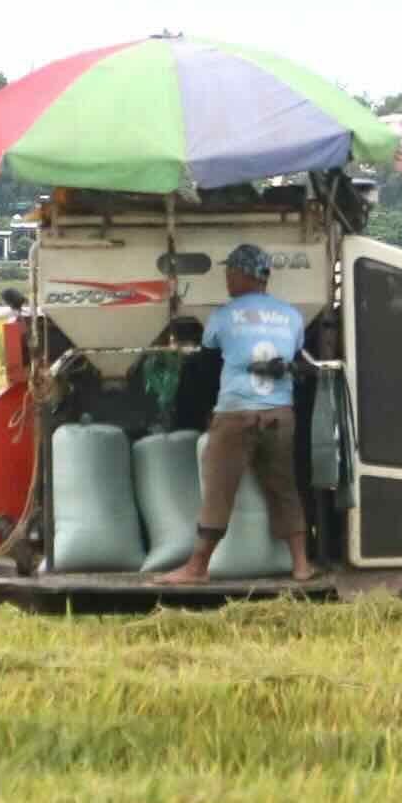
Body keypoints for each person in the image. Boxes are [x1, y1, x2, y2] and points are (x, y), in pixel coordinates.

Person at [158, 243, 316, 584]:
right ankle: (301, 565)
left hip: (236, 412)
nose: (227, 278)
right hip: (279, 412)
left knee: (218, 489)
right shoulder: (291, 315)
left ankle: (197, 568)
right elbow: (295, 354)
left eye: (231, 272)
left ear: (244, 275)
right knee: (285, 488)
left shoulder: (222, 316)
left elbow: (208, 362)